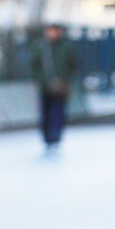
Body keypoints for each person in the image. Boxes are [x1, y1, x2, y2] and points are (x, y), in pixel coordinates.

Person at [30, 23, 76, 152]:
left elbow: (72, 65)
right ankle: (46, 137)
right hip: (45, 87)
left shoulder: (66, 47)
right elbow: (34, 66)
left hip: (61, 87)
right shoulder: (40, 47)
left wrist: (65, 81)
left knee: (58, 112)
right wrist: (43, 81)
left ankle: (55, 136)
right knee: (45, 113)